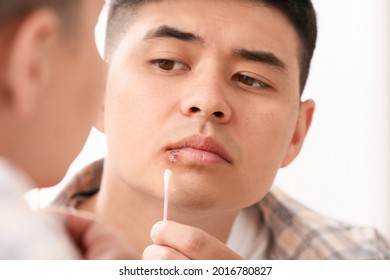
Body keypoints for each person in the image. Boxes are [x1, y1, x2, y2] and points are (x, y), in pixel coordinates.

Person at [54, 0, 390, 259]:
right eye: (167, 63)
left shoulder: (366, 259)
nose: (208, 100)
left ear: (296, 134)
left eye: (250, 79)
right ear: (97, 93)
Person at [0, 0, 134, 259]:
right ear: (33, 62)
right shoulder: (30, 250)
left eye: (240, 77)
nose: (106, 80)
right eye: (166, 63)